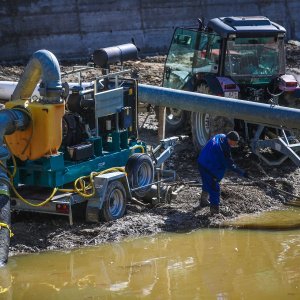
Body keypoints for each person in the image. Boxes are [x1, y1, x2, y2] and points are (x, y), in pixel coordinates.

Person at [197, 131, 248, 215]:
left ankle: (203, 201)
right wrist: (243, 173)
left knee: (206, 182)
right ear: (229, 139)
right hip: (207, 166)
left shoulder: (220, 136)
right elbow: (230, 165)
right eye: (234, 142)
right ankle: (214, 211)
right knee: (214, 188)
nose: (235, 144)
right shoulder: (221, 149)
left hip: (202, 161)